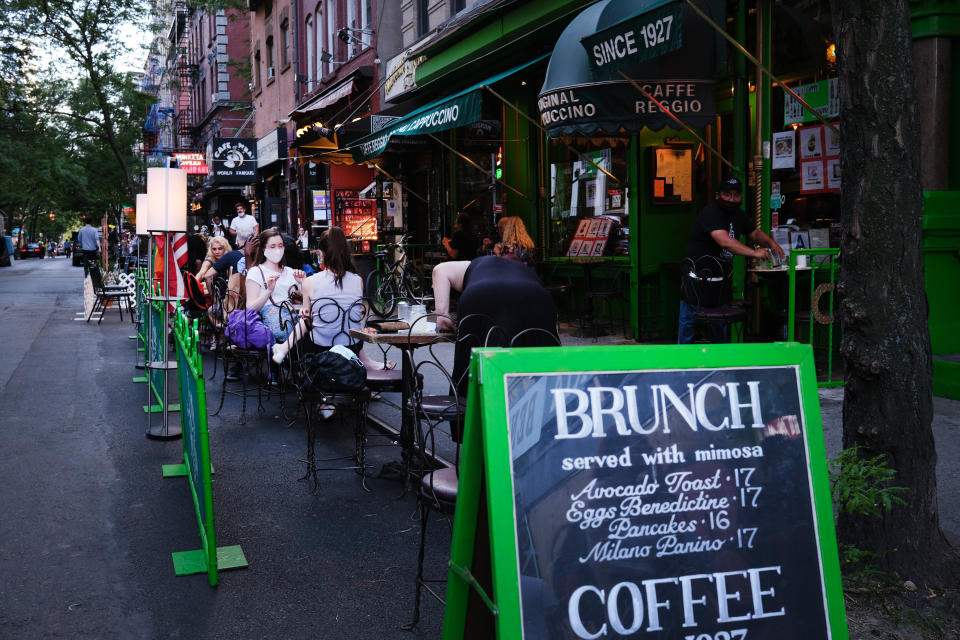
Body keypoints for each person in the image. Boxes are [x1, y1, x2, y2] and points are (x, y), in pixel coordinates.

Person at [677, 176, 785, 344]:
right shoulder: (710, 212)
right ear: (718, 195)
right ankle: (681, 365)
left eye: (736, 195)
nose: (732, 199)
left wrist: (771, 243)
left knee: (720, 327)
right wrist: (755, 253)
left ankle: (721, 366)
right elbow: (724, 241)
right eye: (728, 194)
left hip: (720, 280)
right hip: (696, 278)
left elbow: (754, 233)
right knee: (688, 325)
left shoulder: (738, 215)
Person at [270, 227, 393, 372]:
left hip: (321, 348)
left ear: (321, 254)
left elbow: (308, 317)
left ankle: (284, 351)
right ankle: (365, 362)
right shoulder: (358, 280)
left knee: (304, 322)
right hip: (352, 345)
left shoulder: (310, 282)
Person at [433, 255, 558, 396]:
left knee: (470, 363)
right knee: (545, 360)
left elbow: (439, 269)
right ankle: (552, 407)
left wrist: (442, 315)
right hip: (535, 294)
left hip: (481, 292)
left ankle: (465, 409)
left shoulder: (472, 264)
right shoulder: (525, 270)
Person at [245, 228, 306, 344]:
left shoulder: (290, 271)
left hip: (294, 315)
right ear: (263, 249)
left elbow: (306, 301)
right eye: (272, 247)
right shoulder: (256, 272)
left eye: (280, 246)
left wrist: (303, 284)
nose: (277, 250)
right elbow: (250, 308)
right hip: (276, 320)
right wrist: (268, 291)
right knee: (288, 331)